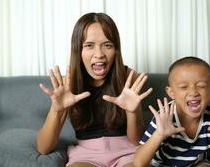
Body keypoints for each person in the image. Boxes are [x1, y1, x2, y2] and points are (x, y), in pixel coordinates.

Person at [36, 12, 153, 167]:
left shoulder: (127, 77)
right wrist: (57, 110)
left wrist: (132, 112)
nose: (99, 55)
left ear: (116, 49)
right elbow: (43, 148)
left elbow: (137, 140)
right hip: (86, 155)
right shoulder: (68, 84)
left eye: (107, 45)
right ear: (78, 50)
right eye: (89, 45)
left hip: (128, 153)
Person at [134, 56, 210, 167]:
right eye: (184, 87)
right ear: (171, 92)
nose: (193, 92)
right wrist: (159, 134)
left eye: (201, 86)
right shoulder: (163, 118)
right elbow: (138, 163)